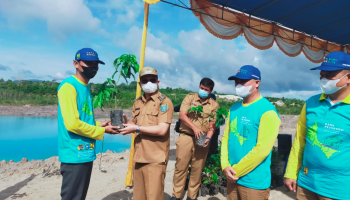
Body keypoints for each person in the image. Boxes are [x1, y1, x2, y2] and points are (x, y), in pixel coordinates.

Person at [284, 51, 350, 200]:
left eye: (330, 74)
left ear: (349, 78)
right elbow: (299, 141)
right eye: (321, 74)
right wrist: (290, 172)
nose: (324, 79)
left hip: (339, 190)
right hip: (306, 184)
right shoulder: (311, 104)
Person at [57, 48, 119, 200]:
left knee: (79, 196)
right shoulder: (68, 87)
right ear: (76, 64)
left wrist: (99, 125)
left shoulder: (84, 87)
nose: (93, 67)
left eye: (95, 64)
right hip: (74, 154)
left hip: (85, 152)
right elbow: (72, 124)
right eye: (88, 63)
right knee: (72, 197)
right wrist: (102, 132)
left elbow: (82, 119)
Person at [221, 65, 281, 200]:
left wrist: (236, 170)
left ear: (257, 83)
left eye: (243, 81)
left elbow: (262, 149)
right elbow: (226, 138)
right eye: (236, 81)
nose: (238, 85)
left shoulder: (267, 111)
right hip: (232, 177)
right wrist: (225, 165)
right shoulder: (234, 108)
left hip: (253, 182)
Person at [119, 67, 174, 200]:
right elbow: (137, 124)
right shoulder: (137, 102)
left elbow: (162, 130)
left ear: (158, 82)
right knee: (139, 196)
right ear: (140, 84)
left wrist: (136, 128)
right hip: (139, 157)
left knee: (153, 197)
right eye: (145, 80)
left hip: (155, 159)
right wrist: (128, 124)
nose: (149, 82)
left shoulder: (164, 102)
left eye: (152, 79)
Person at [171, 78, 219, 200]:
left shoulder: (214, 104)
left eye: (206, 90)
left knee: (197, 170)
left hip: (202, 140)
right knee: (180, 168)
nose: (203, 91)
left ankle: (191, 197)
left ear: (210, 91)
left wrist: (208, 137)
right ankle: (176, 195)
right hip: (186, 137)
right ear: (199, 86)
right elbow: (182, 115)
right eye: (201, 88)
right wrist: (195, 128)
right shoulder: (190, 98)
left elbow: (212, 125)